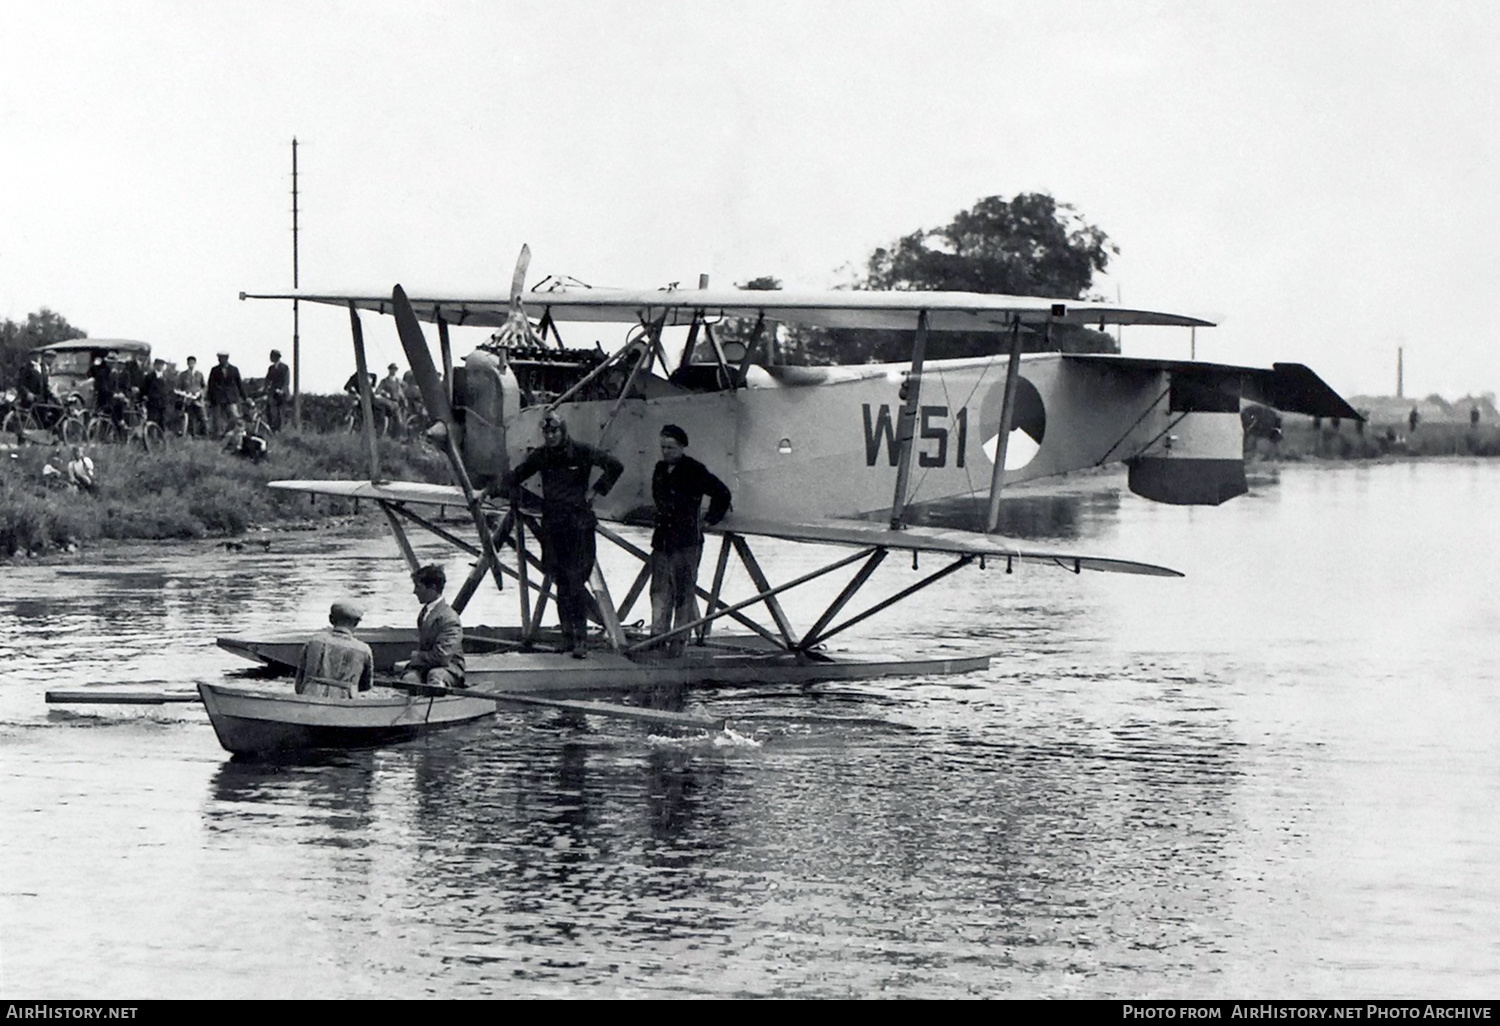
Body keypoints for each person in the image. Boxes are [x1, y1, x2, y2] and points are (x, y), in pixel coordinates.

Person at [485, 411, 624, 658]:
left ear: (563, 431)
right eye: (546, 433)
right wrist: (488, 491)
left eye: (554, 432)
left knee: (575, 582)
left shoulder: (581, 451)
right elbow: (516, 476)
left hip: (578, 525)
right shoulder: (541, 456)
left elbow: (615, 466)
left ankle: (581, 640)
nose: (550, 436)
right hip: (553, 525)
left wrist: (596, 492)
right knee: (560, 581)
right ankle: (567, 638)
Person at [649, 424, 731, 657]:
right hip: (663, 538)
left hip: (686, 539)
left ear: (682, 446)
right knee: (658, 588)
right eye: (663, 447)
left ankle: (679, 638)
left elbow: (722, 493)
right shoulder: (660, 468)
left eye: (671, 447)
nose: (666, 452)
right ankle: (657, 635)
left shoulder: (694, 469)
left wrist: (711, 519)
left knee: (683, 589)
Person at [399, 564, 466, 688]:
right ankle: (412, 704)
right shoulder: (425, 613)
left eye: (418, 587)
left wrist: (416, 657)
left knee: (435, 676)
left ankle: (436, 703)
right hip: (426, 666)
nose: (414, 592)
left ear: (432, 588)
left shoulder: (449, 618)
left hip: (448, 668)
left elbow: (442, 657)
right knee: (409, 679)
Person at [295, 601, 375, 699]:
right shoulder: (364, 650)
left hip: (310, 696)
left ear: (331, 619)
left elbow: (299, 678)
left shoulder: (313, 642)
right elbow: (366, 685)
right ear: (356, 623)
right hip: (345, 700)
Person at [207, 350, 246, 438]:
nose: (220, 360)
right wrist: (210, 398)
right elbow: (211, 385)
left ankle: (233, 434)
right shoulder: (214, 370)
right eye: (219, 358)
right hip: (217, 398)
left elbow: (239, 384)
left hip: (231, 398)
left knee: (234, 417)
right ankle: (217, 436)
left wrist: (244, 397)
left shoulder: (234, 370)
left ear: (226, 358)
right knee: (217, 419)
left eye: (222, 358)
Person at [176, 356, 207, 437]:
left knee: (202, 417)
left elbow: (204, 387)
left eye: (192, 362)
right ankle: (191, 434)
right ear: (187, 363)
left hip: (198, 399)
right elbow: (178, 387)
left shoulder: (199, 374)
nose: (191, 364)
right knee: (190, 417)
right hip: (187, 399)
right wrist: (183, 393)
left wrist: (199, 393)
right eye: (189, 362)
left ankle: (204, 435)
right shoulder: (183, 375)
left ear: (195, 363)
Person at [265, 349, 290, 432]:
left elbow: (286, 381)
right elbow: (267, 380)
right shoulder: (271, 368)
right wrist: (265, 388)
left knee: (280, 413)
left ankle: (280, 430)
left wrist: (282, 390)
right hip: (273, 393)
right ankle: (272, 429)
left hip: (281, 395)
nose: (270, 358)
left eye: (272, 356)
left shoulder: (284, 367)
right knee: (270, 412)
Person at [143, 358, 172, 429]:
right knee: (152, 421)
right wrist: (145, 397)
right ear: (155, 366)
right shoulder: (149, 377)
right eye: (159, 365)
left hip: (163, 402)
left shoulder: (166, 377)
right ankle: (150, 437)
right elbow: (144, 389)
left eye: (162, 365)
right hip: (153, 403)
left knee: (162, 421)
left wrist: (167, 399)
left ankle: (160, 438)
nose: (160, 367)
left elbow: (168, 390)